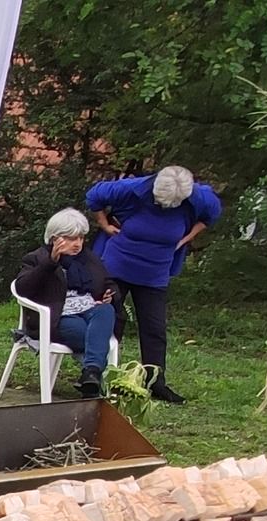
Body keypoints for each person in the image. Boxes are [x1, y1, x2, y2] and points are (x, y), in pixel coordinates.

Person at [85, 164, 220, 403]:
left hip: (155, 273)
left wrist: (186, 238)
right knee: (112, 318)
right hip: (117, 265)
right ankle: (99, 376)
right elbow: (94, 196)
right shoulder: (131, 189)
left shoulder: (198, 198)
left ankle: (155, 382)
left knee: (154, 329)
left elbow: (211, 216)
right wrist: (104, 225)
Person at [12, 208, 117, 398]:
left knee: (107, 310)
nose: (77, 244)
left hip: (90, 309)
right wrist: (50, 263)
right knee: (93, 337)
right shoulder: (37, 258)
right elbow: (22, 289)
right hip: (57, 316)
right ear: (54, 239)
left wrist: (110, 293)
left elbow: (107, 281)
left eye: (81, 238)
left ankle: (90, 373)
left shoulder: (87, 258)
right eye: (70, 239)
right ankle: (93, 378)